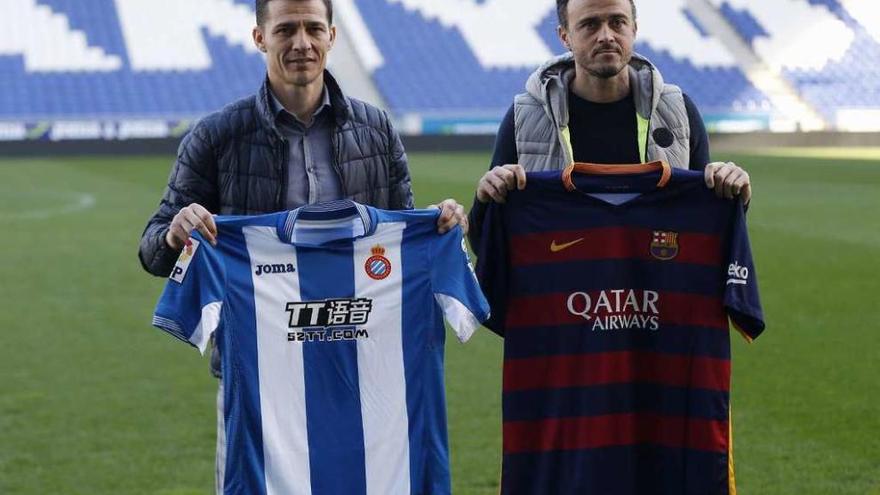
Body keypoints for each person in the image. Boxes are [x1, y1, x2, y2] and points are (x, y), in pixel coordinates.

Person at [137, 0, 465, 491]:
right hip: (260, 379)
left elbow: (403, 237)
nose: (301, 43)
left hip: (367, 370)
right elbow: (152, 252)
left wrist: (439, 224)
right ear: (259, 38)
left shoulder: (375, 130)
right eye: (286, 29)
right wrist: (175, 232)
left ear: (332, 35)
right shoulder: (216, 136)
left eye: (313, 29)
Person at [469, 0, 751, 247]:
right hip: (562, 296)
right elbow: (486, 241)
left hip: (652, 300)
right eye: (590, 25)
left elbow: (706, 226)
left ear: (634, 29)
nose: (606, 36)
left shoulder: (678, 111)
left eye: (617, 22)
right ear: (565, 36)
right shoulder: (524, 117)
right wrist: (485, 198)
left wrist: (732, 190)